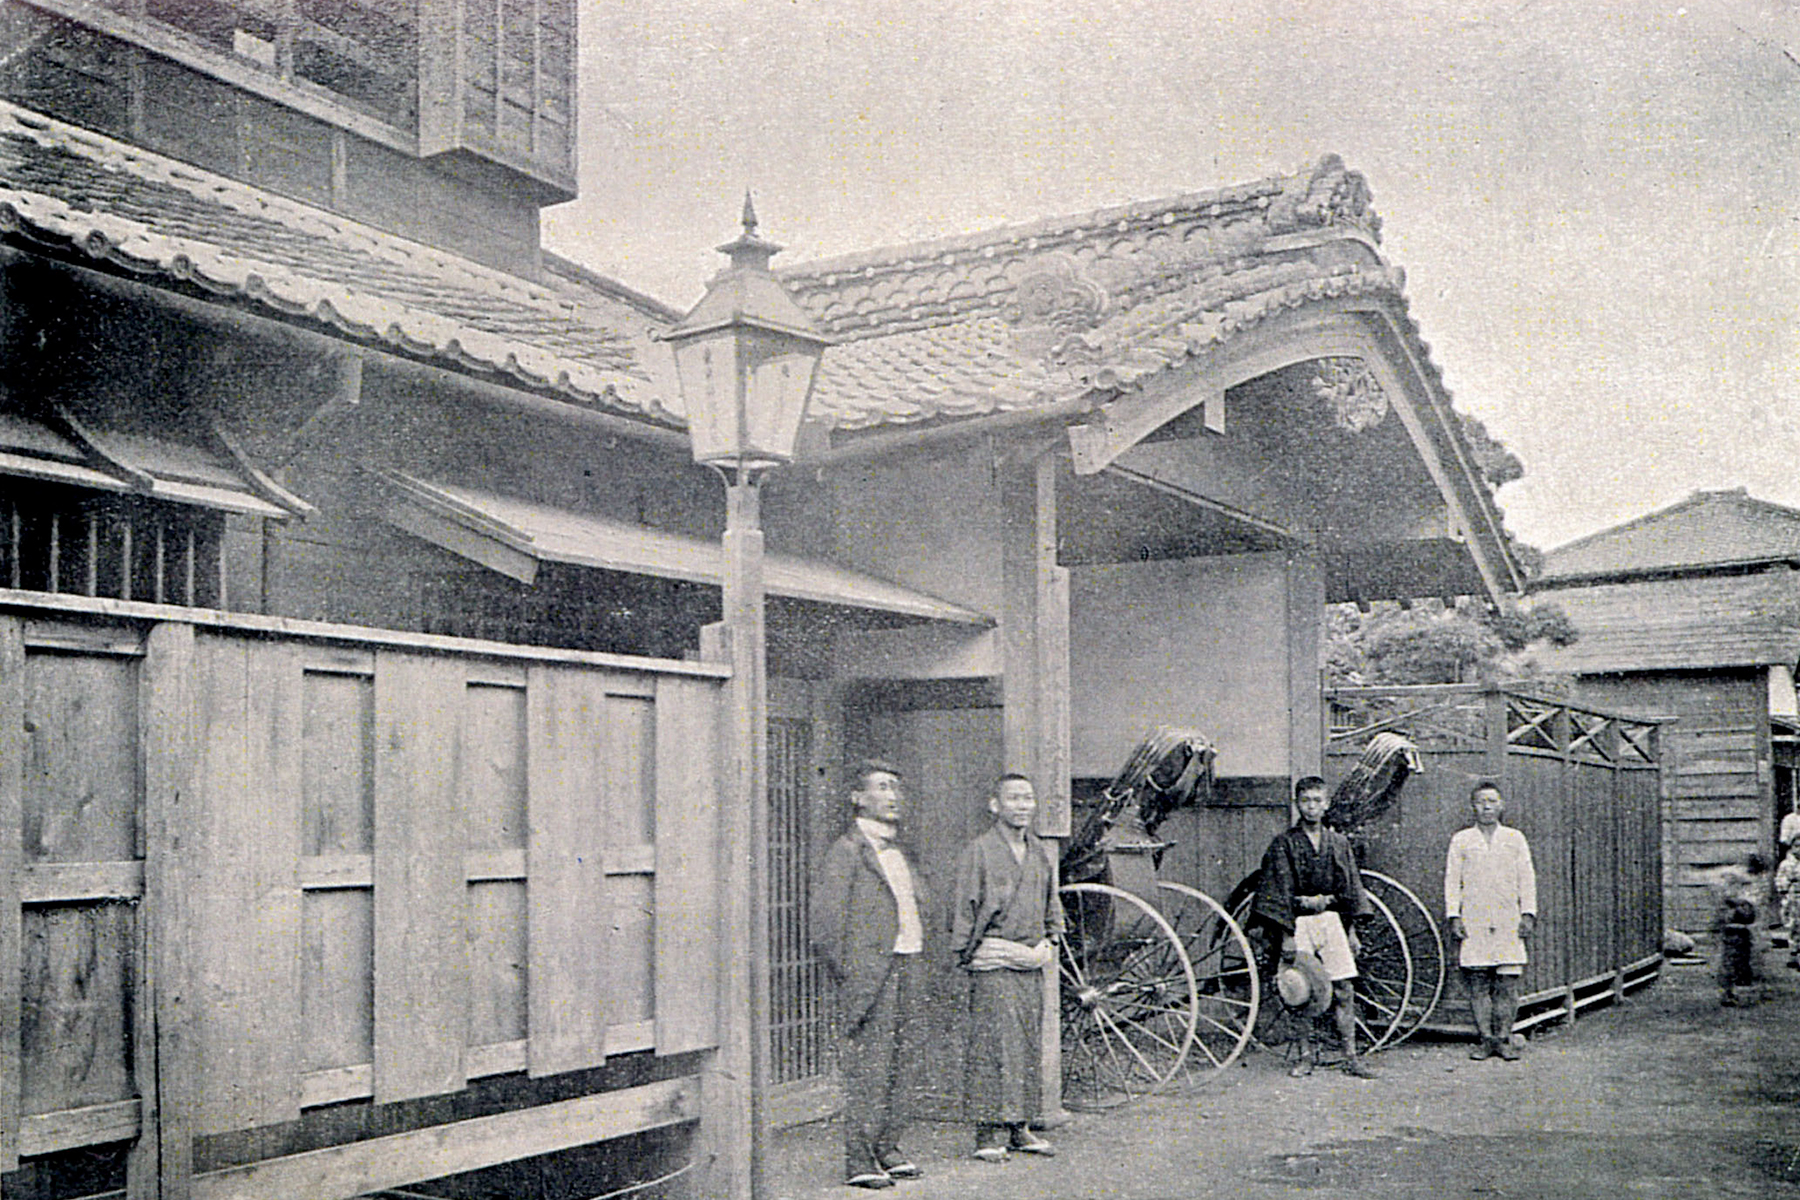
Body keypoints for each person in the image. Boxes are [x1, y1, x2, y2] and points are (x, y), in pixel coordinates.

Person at [811, 761, 927, 1189]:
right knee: (870, 1068)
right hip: (872, 975)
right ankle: (859, 1159)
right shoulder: (846, 851)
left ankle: (887, 1147)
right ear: (858, 798)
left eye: (896, 787)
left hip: (909, 962)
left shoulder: (901, 852)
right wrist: (857, 975)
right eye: (881, 787)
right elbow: (825, 930)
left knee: (905, 1062)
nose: (892, 795)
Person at [949, 773, 1063, 1162]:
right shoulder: (979, 850)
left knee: (1027, 1043)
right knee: (992, 1046)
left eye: (1028, 798)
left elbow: (1052, 905)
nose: (1022, 805)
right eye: (1013, 798)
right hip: (993, 961)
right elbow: (965, 906)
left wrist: (1050, 938)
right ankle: (987, 1132)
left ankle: (1020, 1127)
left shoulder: (1039, 853)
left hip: (1030, 960)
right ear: (994, 805)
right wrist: (968, 953)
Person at [1251, 775, 1377, 1079]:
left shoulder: (1338, 843)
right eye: (1305, 800)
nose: (1312, 807)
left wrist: (1351, 931)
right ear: (1298, 804)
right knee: (1300, 991)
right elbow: (1276, 891)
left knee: (1344, 988)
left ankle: (1351, 1056)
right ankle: (1305, 1056)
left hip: (1332, 920)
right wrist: (1286, 935)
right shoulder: (1284, 844)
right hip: (1297, 923)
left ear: (1327, 803)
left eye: (1317, 800)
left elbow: (1349, 889)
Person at [1444, 781, 1538, 1061]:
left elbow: (1527, 877)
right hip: (1474, 917)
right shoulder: (1461, 839)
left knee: (1508, 982)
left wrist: (1528, 913)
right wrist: (1454, 915)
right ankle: (1486, 1039)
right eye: (1481, 801)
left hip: (1508, 917)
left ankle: (1504, 1039)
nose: (1486, 806)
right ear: (1473, 806)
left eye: (1492, 801)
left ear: (1501, 805)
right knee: (1478, 982)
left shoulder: (1514, 838)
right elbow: (1452, 880)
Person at [1710, 852, 1769, 1007]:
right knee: (1729, 961)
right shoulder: (1734, 880)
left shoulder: (1752, 884)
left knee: (1743, 959)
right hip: (1732, 928)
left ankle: (1737, 989)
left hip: (1744, 928)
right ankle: (1727, 992)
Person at [1777, 840, 1800, 972]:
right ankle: (1793, 953)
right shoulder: (1786, 864)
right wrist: (1785, 886)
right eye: (1796, 846)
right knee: (1794, 926)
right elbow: (1781, 879)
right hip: (1793, 898)